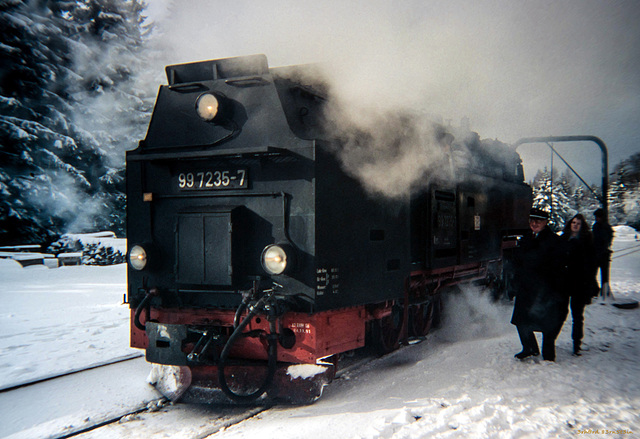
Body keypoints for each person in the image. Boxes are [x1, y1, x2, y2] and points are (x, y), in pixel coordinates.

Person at [511, 208, 568, 361]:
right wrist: (515, 281)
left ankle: (548, 354)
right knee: (521, 320)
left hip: (545, 289)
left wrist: (554, 289)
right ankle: (529, 348)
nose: (534, 224)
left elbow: (558, 267)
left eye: (538, 221)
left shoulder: (554, 241)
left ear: (546, 222)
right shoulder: (526, 239)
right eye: (532, 220)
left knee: (547, 323)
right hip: (526, 287)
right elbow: (519, 262)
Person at [560, 214, 597, 355]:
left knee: (577, 316)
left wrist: (589, 282)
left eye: (578, 223)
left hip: (579, 284)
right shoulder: (563, 239)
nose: (575, 225)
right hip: (564, 283)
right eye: (573, 222)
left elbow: (591, 264)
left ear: (582, 226)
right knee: (561, 313)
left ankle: (577, 344)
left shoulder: (587, 242)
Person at [592, 208, 614, 298]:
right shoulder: (596, 226)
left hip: (603, 254)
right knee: (592, 274)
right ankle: (596, 291)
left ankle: (605, 293)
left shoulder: (606, 227)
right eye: (596, 217)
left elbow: (607, 240)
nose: (597, 218)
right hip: (596, 254)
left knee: (604, 276)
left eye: (599, 217)